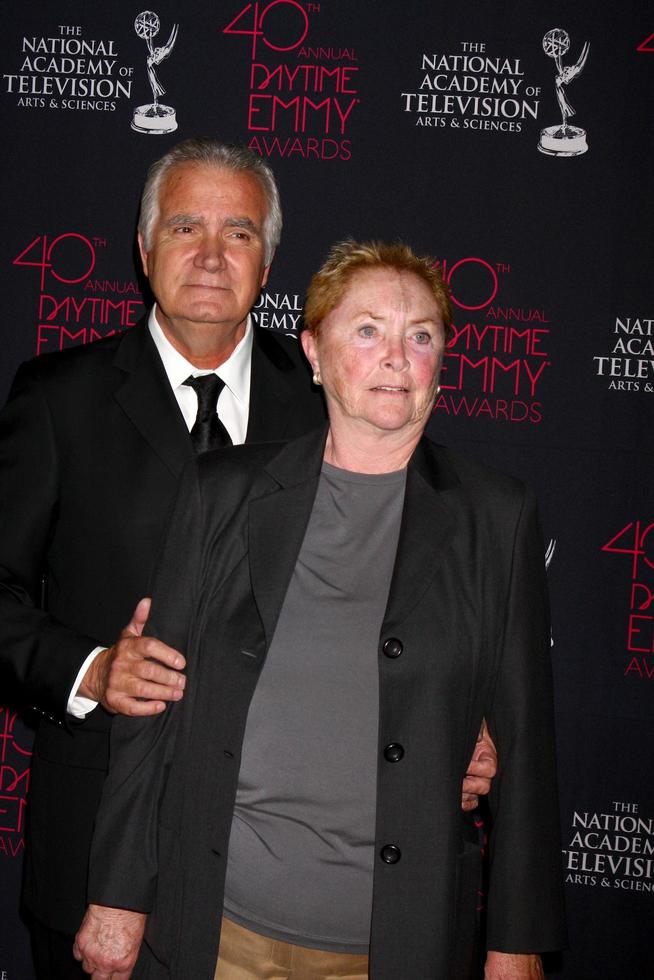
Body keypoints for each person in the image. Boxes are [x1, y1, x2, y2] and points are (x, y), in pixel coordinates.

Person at [0, 144, 494, 978]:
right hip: (94, 840)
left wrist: (449, 724)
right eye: (185, 225)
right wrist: (89, 670)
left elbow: (405, 591)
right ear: (143, 245)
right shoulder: (56, 398)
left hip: (274, 868)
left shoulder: (328, 404)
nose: (208, 253)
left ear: (268, 263)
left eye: (238, 232)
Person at [75, 241, 566, 980]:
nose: (397, 356)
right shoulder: (223, 492)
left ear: (442, 362)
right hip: (211, 929)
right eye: (367, 330)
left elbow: (524, 749)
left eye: (421, 335)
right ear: (313, 351)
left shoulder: (496, 517)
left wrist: (516, 942)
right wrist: (116, 896)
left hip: (389, 946)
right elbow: (152, 709)